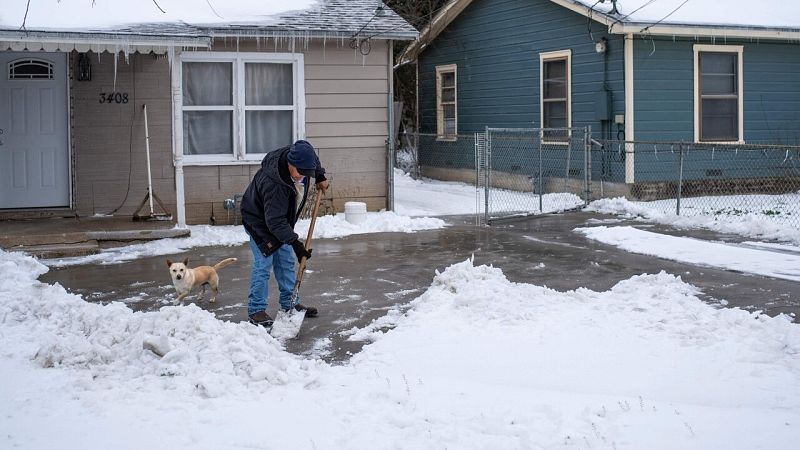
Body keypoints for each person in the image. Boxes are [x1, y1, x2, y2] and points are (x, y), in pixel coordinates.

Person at [240, 140, 329, 328]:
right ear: (290, 163)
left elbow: (312, 157)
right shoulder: (275, 184)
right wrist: (296, 243)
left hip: (278, 220)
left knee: (286, 262)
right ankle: (256, 310)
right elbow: (275, 222)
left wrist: (319, 175)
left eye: (308, 173)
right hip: (259, 222)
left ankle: (290, 304)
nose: (304, 177)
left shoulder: (300, 153)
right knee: (264, 264)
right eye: (301, 173)